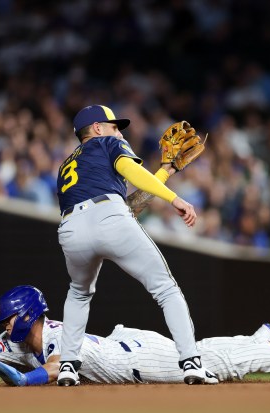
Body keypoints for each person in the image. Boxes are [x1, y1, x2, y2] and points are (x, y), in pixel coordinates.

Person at [55, 105, 207, 386]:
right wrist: (174, 198)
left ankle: (67, 366)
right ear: (98, 129)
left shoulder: (67, 165)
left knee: (78, 293)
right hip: (110, 217)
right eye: (114, 126)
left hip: (71, 228)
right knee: (165, 288)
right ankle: (191, 363)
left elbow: (128, 205)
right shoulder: (108, 143)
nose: (119, 131)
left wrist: (166, 170)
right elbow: (127, 182)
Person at [0, 285, 270, 385]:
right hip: (127, 346)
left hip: (133, 360)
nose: (4, 329)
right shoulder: (19, 341)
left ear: (27, 315)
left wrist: (25, 380)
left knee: (220, 367)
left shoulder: (54, 337)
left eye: (8, 321)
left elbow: (55, 367)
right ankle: (263, 341)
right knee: (205, 354)